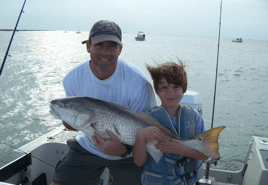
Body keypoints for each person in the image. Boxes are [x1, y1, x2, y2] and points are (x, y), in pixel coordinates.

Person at [51, 20, 156, 185]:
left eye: (112, 46)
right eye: (99, 45)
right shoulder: (72, 78)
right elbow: (74, 122)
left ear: (120, 49)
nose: (105, 52)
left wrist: (122, 150)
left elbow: (147, 127)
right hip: (88, 145)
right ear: (88, 46)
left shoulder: (138, 82)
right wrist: (68, 120)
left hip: (129, 152)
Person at [132, 59, 208, 185]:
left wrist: (183, 150)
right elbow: (139, 162)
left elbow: (206, 154)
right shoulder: (146, 119)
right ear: (156, 90)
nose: (171, 93)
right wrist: (140, 136)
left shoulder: (194, 118)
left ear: (184, 89)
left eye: (176, 87)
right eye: (164, 88)